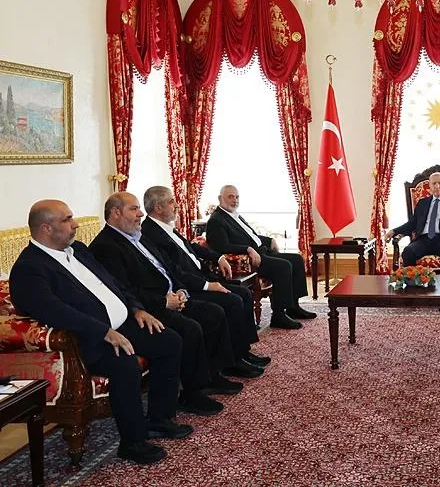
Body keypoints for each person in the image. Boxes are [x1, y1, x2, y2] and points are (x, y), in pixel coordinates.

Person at [9, 200, 191, 465]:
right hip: (85, 338)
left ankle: (159, 419)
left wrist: (137, 309)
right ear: (46, 228)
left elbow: (114, 284)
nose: (75, 224)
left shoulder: (79, 250)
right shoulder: (29, 268)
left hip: (121, 324)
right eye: (67, 220)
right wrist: (103, 331)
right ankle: (133, 442)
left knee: (169, 341)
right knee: (124, 364)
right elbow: (53, 310)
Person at [90, 192, 233, 414]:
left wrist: (181, 291)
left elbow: (169, 268)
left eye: (139, 208)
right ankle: (192, 393)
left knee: (214, 313)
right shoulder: (105, 246)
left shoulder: (138, 235)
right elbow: (124, 289)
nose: (140, 214)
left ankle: (211, 375)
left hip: (172, 297)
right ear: (116, 213)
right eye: (134, 209)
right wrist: (164, 302)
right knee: (190, 329)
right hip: (149, 307)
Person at [140, 186, 269, 379]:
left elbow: (192, 248)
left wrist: (218, 257)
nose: (176, 205)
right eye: (171, 201)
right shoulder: (151, 233)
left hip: (201, 276)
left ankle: (242, 351)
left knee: (244, 294)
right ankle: (231, 362)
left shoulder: (165, 227)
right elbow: (174, 270)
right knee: (233, 300)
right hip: (189, 286)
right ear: (158, 208)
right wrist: (207, 285)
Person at [205, 185, 315, 330]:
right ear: (220, 198)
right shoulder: (216, 220)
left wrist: (269, 241)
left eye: (237, 197)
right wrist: (247, 249)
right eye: (230, 197)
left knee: (297, 260)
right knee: (283, 266)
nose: (235, 200)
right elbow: (221, 246)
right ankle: (278, 315)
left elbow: (251, 236)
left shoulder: (234, 215)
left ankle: (293, 306)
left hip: (260, 252)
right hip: (247, 260)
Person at [384, 171, 440, 276]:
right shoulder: (422, 203)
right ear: (429, 186)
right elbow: (412, 224)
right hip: (424, 239)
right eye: (434, 183)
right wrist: (393, 231)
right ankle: (414, 282)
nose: (437, 186)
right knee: (408, 251)